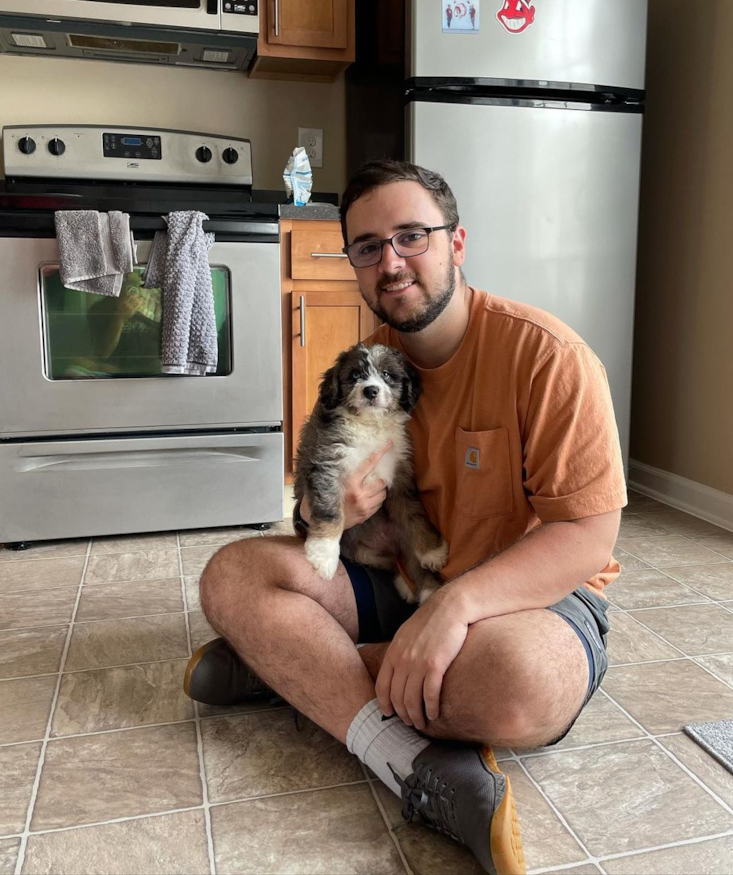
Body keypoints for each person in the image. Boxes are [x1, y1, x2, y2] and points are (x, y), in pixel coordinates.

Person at [186, 161, 626, 875]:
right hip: (396, 576)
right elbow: (319, 494)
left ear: (456, 243)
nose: (390, 262)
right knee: (232, 576)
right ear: (355, 266)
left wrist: (455, 607)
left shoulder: (549, 358)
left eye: (411, 236)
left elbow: (588, 537)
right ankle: (410, 758)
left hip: (527, 602)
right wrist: (317, 509)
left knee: (521, 684)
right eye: (367, 246)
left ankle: (290, 671)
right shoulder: (372, 367)